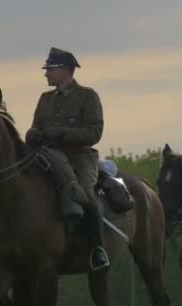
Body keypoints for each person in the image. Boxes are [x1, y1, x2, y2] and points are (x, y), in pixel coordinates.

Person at [25, 47, 109, 271]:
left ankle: (97, 249)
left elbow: (95, 133)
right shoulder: (45, 99)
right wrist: (32, 134)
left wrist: (63, 133)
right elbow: (36, 127)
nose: (46, 74)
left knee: (84, 193)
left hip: (78, 158)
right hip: (45, 157)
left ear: (65, 70)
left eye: (50, 69)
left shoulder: (87, 96)